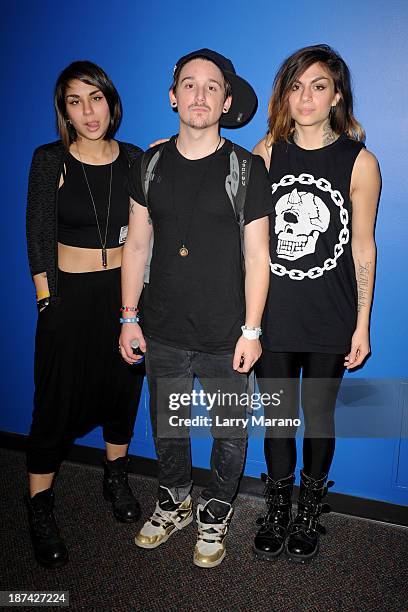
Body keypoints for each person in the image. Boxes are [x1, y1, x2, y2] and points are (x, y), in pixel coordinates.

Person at [120, 48, 273, 568]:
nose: (200, 94)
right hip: (161, 329)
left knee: (230, 433)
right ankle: (174, 501)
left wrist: (251, 330)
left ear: (226, 100)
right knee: (168, 427)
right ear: (173, 96)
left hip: (224, 333)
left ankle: (216, 511)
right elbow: (136, 247)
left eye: (212, 86)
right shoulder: (149, 163)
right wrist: (128, 316)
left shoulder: (246, 168)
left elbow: (259, 256)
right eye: (189, 84)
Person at [252, 44, 381, 563]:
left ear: (336, 96)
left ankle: (308, 511)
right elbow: (252, 243)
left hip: (332, 315)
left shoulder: (360, 161)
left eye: (318, 85)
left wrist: (362, 324)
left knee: (319, 417)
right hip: (275, 316)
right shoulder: (266, 153)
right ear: (285, 95)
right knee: (278, 420)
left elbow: (364, 246)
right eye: (296, 86)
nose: (305, 97)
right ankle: (278, 509)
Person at [25, 61, 145, 568]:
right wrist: (47, 301)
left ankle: (114, 478)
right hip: (68, 298)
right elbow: (38, 235)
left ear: (110, 102)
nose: (88, 111)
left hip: (123, 300)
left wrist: (136, 307)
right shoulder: (50, 160)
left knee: (121, 391)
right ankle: (39, 506)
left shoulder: (136, 159)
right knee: (55, 403)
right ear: (64, 111)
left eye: (95, 98)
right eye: (75, 101)